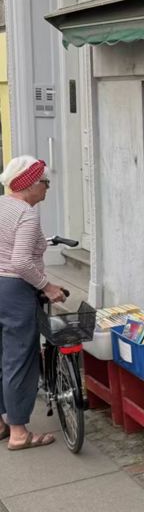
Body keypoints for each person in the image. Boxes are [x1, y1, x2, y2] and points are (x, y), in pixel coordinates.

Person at [0, 156, 66, 450]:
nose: (47, 188)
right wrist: (48, 287)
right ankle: (18, 433)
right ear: (30, 184)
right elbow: (21, 262)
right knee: (20, 359)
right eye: (45, 183)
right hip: (14, 291)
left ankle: (1, 423)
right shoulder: (26, 214)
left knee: (1, 357)